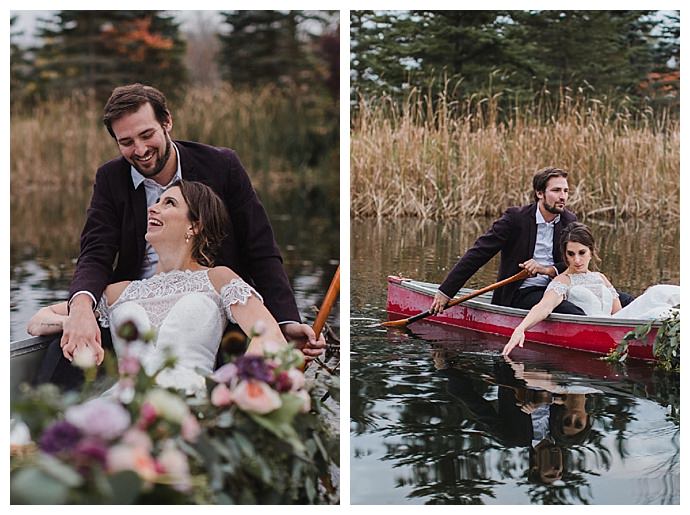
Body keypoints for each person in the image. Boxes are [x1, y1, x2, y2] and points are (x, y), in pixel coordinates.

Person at [37, 83, 324, 386]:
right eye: (126, 142)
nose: (140, 150)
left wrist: (285, 321)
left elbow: (261, 250)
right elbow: (95, 252)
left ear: (167, 122)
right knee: (64, 348)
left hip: (211, 309)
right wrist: (81, 310)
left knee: (241, 353)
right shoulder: (111, 178)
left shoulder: (221, 166)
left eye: (147, 135)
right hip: (132, 309)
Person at [29, 180, 289, 395]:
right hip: (124, 403)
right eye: (157, 201)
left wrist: (233, 389)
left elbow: (269, 337)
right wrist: (79, 322)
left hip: (192, 404)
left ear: (195, 225)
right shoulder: (122, 292)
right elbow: (38, 321)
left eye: (169, 203)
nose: (154, 208)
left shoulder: (218, 279)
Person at [430, 167, 599, 317]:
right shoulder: (515, 219)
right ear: (540, 193)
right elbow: (478, 253)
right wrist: (446, 291)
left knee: (620, 298)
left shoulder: (569, 220)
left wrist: (547, 270)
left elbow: (573, 262)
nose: (563, 197)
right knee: (575, 313)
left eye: (566, 191)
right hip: (522, 292)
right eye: (556, 190)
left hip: (559, 288)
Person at [502, 222, 680, 357]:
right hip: (599, 329)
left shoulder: (600, 277)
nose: (577, 260)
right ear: (565, 255)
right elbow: (544, 307)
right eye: (571, 254)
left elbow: (618, 314)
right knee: (659, 308)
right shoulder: (563, 280)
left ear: (591, 251)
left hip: (616, 323)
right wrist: (521, 328)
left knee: (659, 292)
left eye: (582, 253)